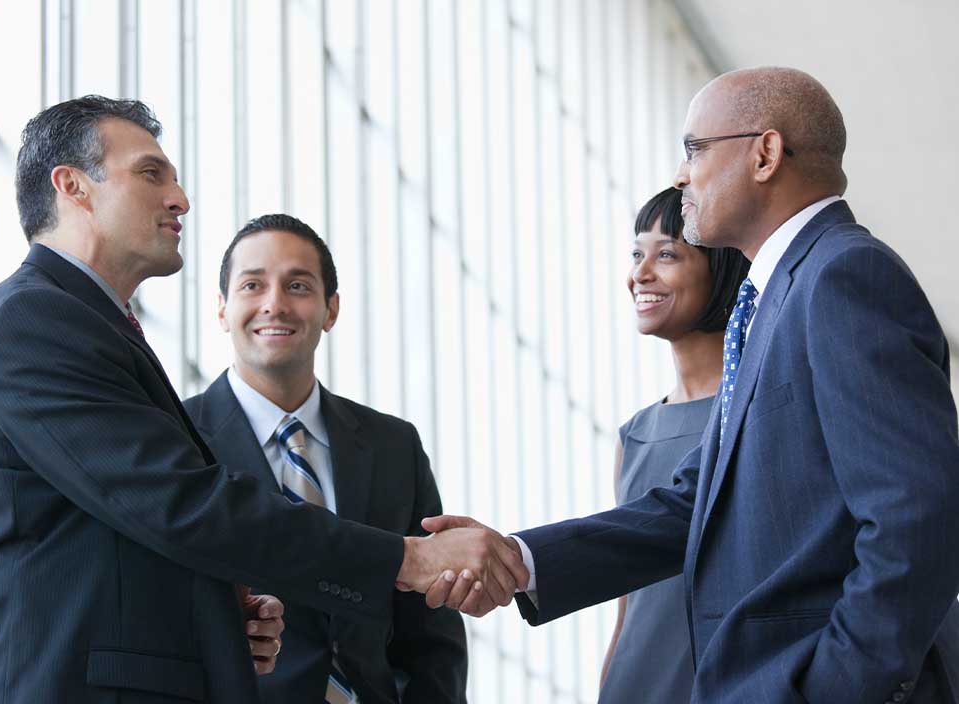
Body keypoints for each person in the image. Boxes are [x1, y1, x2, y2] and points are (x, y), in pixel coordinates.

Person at [0, 96, 525, 703]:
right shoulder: (34, 320)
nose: (180, 198)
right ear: (73, 186)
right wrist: (405, 559)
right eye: (150, 173)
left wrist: (212, 619)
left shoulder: (86, 324)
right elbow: (180, 503)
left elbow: (115, 532)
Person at [425, 67, 959, 703]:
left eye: (695, 149)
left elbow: (917, 518)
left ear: (765, 154)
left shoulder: (845, 276)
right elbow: (691, 506)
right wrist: (518, 559)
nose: (681, 175)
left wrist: (836, 687)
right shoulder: (776, 300)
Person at [183, 213, 468, 704]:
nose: (275, 304)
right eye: (253, 285)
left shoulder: (393, 446)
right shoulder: (177, 441)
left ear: (330, 309)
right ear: (222, 308)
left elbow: (430, 636)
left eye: (297, 285)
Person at [598, 187, 749, 703]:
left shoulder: (756, 416)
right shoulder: (634, 434)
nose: (641, 274)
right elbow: (627, 604)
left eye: (667, 255)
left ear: (721, 270)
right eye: (637, 254)